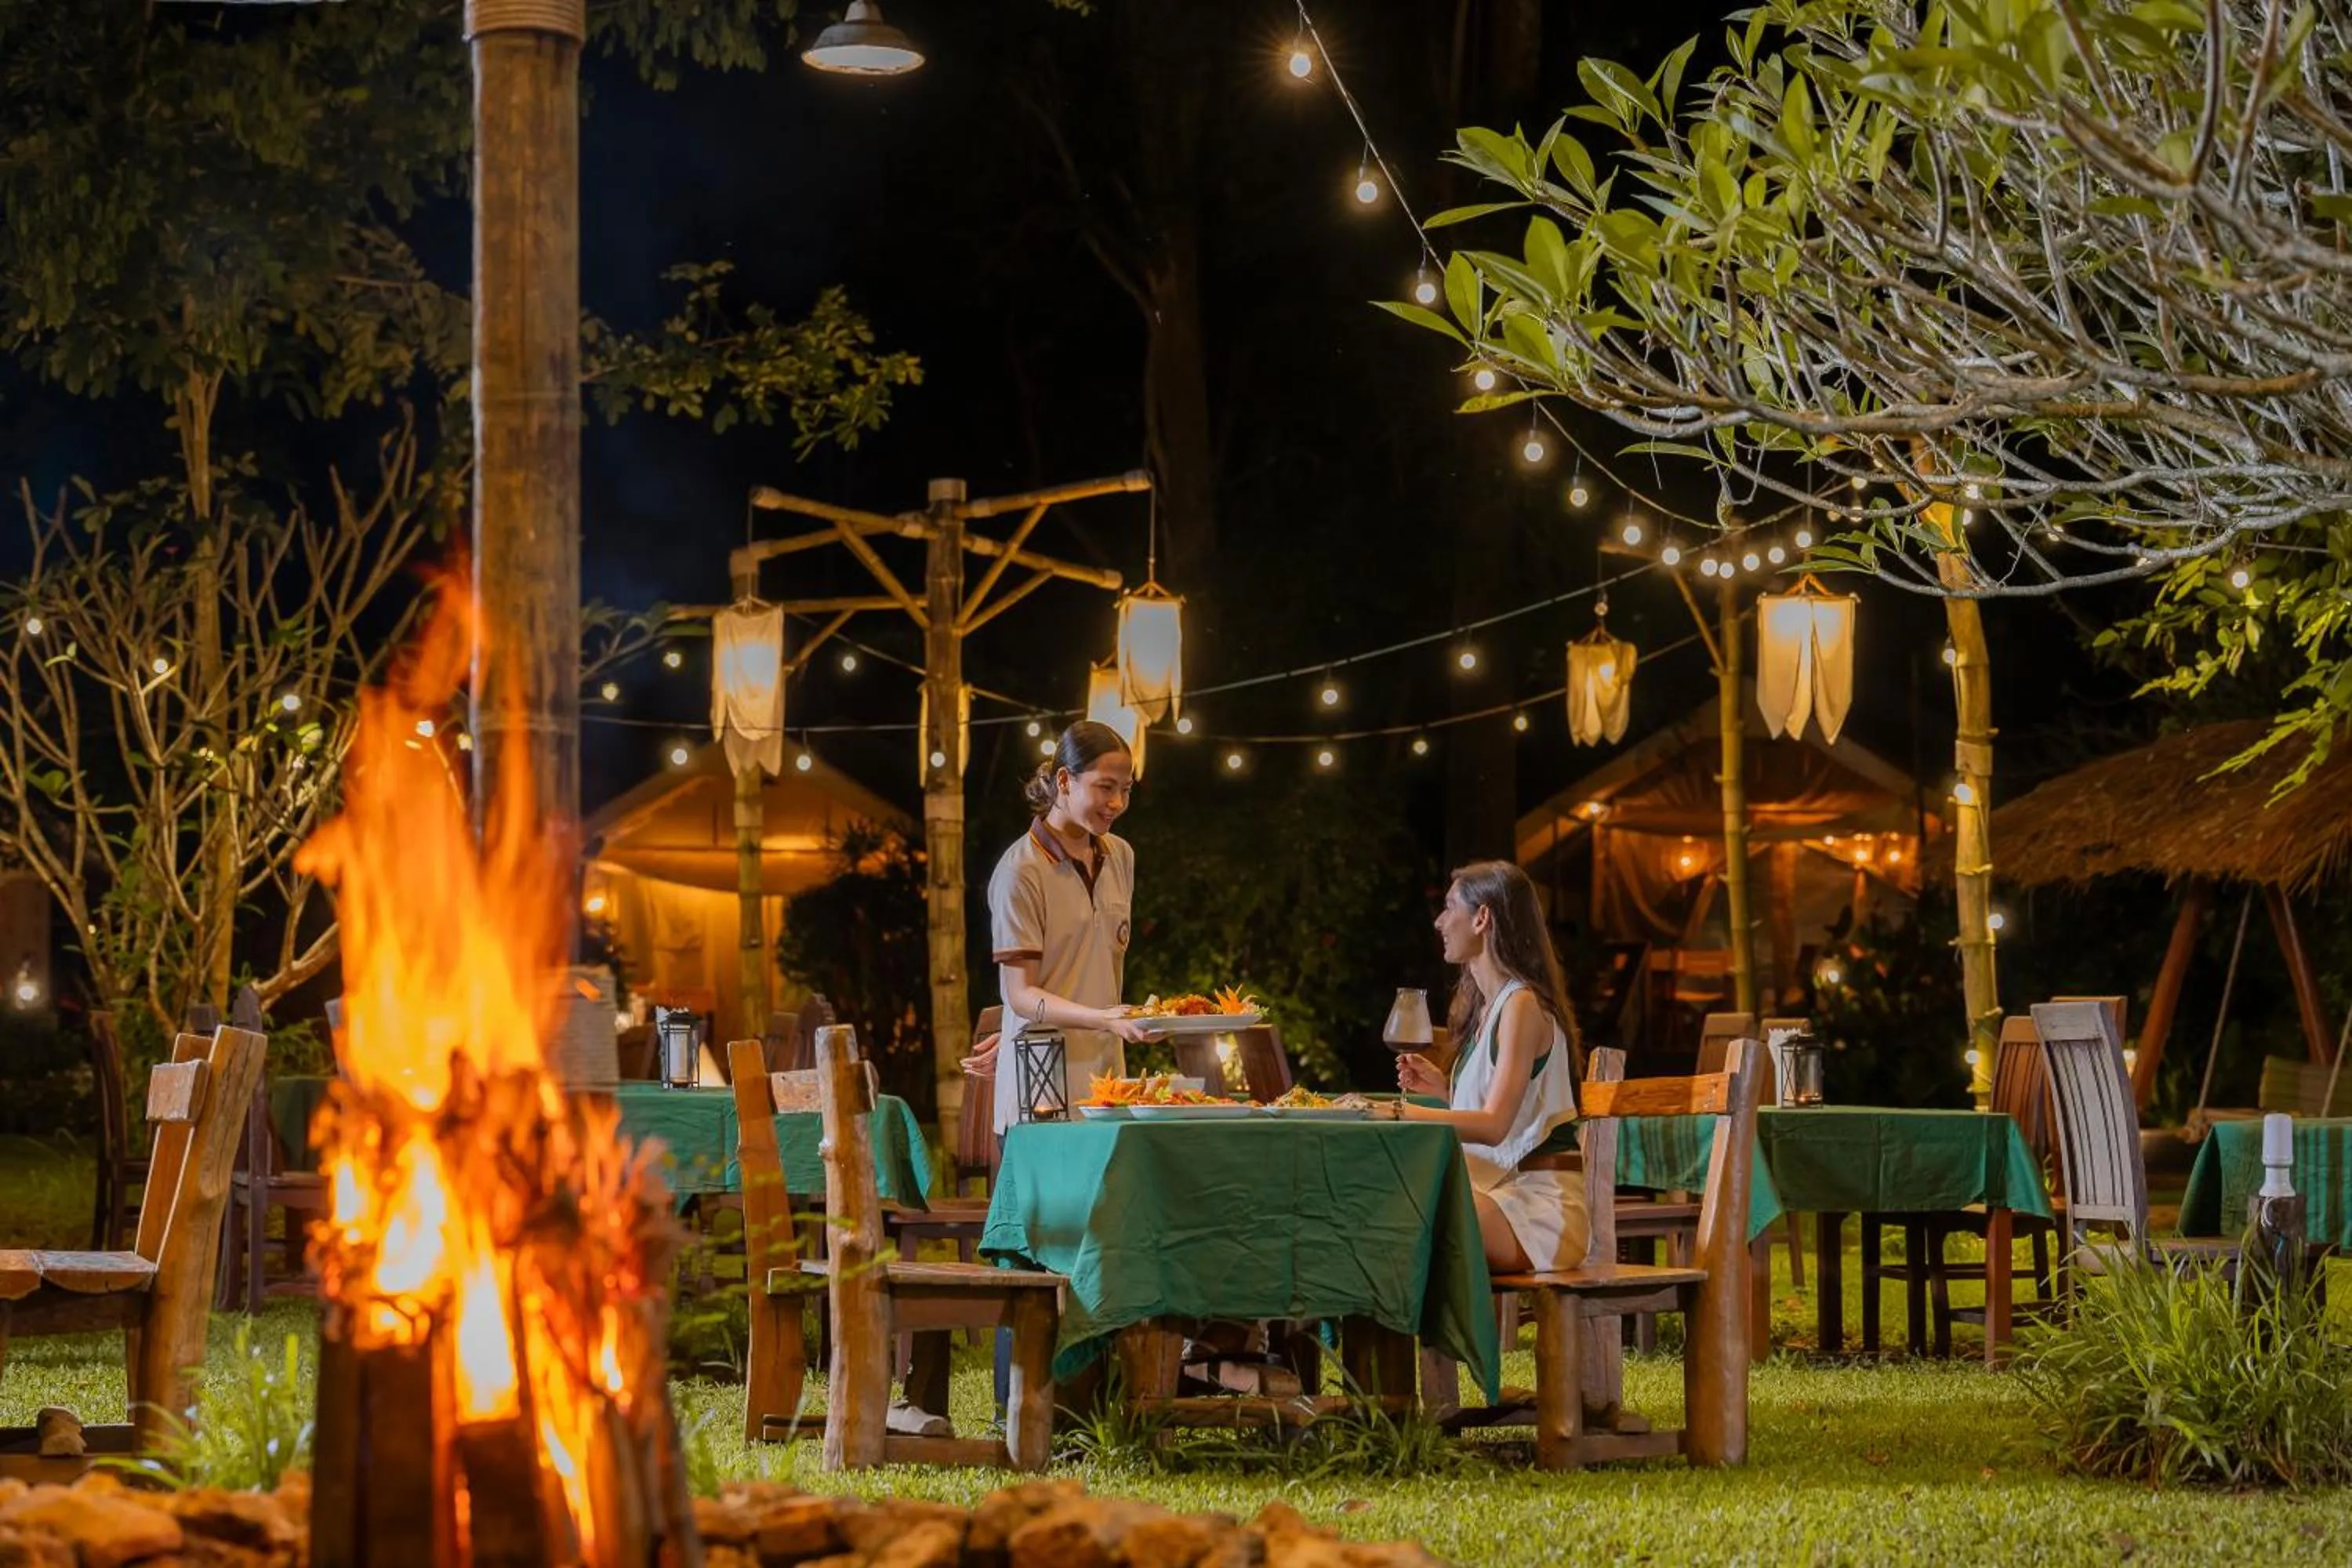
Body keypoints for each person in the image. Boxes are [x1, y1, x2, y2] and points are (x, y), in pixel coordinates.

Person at [1392, 860, 1589, 1274]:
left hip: (1537, 1208)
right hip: (1495, 1193)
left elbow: (1495, 1124)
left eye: (1449, 908)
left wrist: (1398, 1112)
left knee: (1406, 1218)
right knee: (1388, 1207)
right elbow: (1514, 1111)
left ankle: (1451, 1341)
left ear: (1482, 917)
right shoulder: (1486, 1009)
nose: (1440, 922)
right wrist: (1446, 1092)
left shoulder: (1522, 1005)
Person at [967, 720, 1154, 1123]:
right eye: (1106, 787)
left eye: (1126, 790)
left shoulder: (1121, 857)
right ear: (1065, 781)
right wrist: (1105, 1018)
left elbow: (1085, 968)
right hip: (1041, 1096)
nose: (1118, 803)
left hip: (1107, 1093)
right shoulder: (1021, 871)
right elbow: (1019, 994)